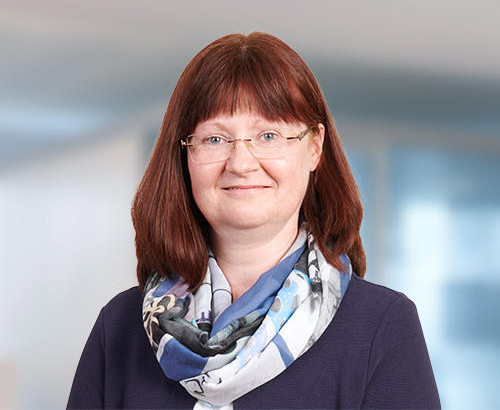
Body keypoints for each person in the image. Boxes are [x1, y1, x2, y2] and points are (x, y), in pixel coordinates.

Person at [67, 32, 441, 410]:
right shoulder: (120, 329)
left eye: (268, 135)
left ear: (315, 147)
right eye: (215, 139)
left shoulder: (381, 327)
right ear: (185, 155)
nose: (241, 163)